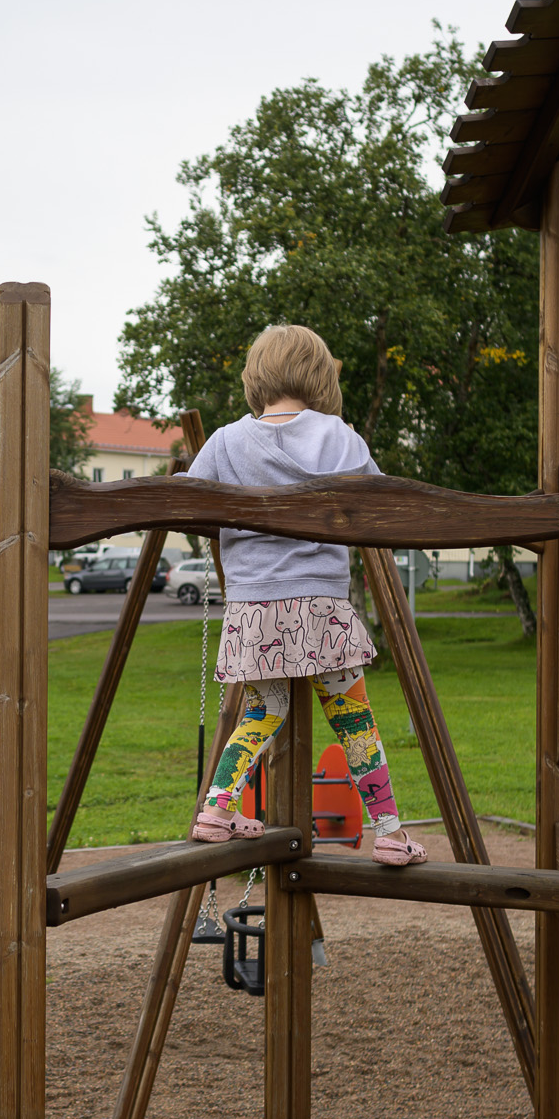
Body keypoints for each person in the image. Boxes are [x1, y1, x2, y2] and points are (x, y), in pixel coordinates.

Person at [184, 322, 424, 866]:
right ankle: (389, 831)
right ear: (319, 375)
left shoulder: (225, 441)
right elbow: (379, 504)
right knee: (352, 715)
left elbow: (189, 509)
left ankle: (217, 809)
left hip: (255, 607)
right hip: (319, 606)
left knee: (263, 709)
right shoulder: (338, 435)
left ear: (255, 376)